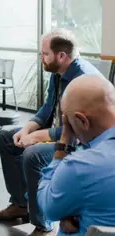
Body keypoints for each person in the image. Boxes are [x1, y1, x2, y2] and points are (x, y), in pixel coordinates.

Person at [0, 29, 101, 236]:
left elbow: (77, 129)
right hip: (60, 133)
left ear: (61, 56)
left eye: (44, 53)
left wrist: (35, 137)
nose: (40, 57)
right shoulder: (58, 72)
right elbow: (46, 109)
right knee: (6, 136)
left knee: (33, 154)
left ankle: (43, 225)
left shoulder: (84, 78)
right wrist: (26, 130)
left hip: (81, 141)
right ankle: (20, 203)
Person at [38, 74, 115, 235]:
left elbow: (48, 208)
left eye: (69, 122)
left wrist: (64, 143)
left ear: (82, 121)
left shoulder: (80, 166)